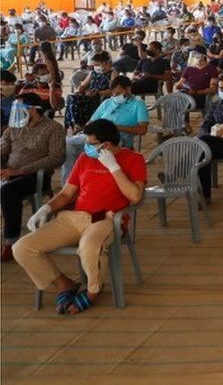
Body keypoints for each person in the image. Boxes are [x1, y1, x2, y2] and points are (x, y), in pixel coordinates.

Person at [13, 119, 145, 315]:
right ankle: (63, 284)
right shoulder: (84, 159)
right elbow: (67, 194)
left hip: (105, 220)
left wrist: (113, 167)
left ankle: (93, 291)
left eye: (90, 143)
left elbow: (135, 196)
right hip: (73, 218)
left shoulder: (134, 159)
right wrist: (45, 209)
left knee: (89, 247)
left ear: (106, 145)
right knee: (22, 247)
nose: (86, 147)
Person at [1, 93, 65, 261]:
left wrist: (21, 170)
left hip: (36, 175)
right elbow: (3, 149)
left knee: (8, 191)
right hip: (9, 172)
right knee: (7, 187)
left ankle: (10, 242)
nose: (15, 112)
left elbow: (56, 157)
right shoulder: (14, 127)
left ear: (32, 110)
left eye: (18, 108)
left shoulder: (53, 128)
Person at [63, 76, 148, 181]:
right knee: (68, 143)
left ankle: (93, 180)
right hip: (96, 135)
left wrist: (115, 127)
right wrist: (90, 128)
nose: (115, 96)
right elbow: (90, 122)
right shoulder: (108, 103)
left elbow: (142, 130)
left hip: (116, 139)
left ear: (128, 89)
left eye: (118, 93)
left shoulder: (138, 104)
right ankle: (69, 182)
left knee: (100, 148)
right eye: (113, 93)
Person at [64, 51, 113, 131]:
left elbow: (113, 91)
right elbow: (83, 85)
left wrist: (97, 93)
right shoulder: (93, 73)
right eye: (94, 65)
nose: (95, 67)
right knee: (72, 97)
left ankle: (80, 126)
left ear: (104, 63)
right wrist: (79, 90)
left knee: (78, 102)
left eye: (97, 65)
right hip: (90, 96)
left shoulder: (112, 73)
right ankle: (76, 124)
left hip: (103, 98)